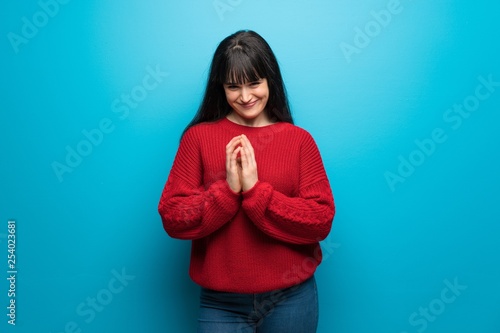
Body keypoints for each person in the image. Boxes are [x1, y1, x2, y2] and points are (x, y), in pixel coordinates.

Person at [158, 30, 335, 333]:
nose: (245, 96)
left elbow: (321, 221)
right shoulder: (198, 138)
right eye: (233, 86)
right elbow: (173, 217)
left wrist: (256, 193)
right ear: (221, 88)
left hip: (292, 297)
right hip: (221, 303)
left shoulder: (299, 141)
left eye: (254, 83)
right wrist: (226, 192)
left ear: (270, 81)